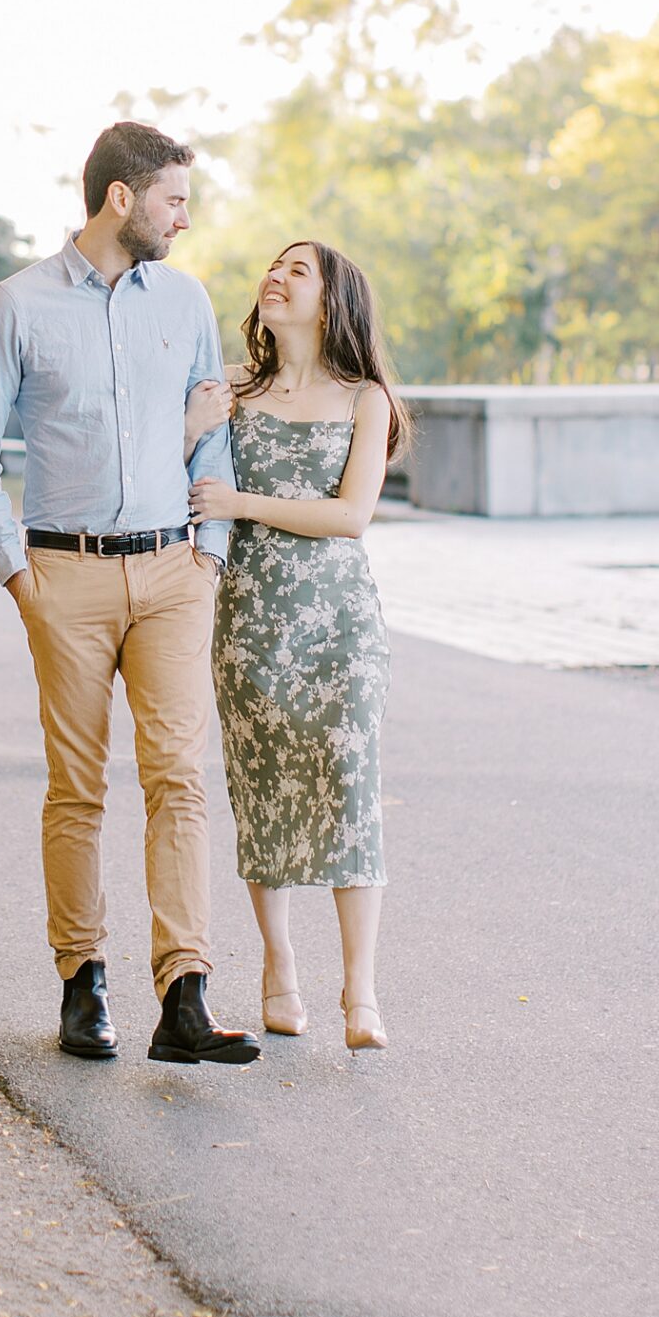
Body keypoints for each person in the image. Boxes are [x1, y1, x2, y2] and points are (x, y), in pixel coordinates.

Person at [0, 121, 261, 1069]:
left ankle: (185, 995)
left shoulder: (186, 300)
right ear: (121, 198)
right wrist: (22, 582)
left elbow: (211, 437)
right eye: (174, 200)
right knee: (78, 789)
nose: (184, 219)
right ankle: (82, 980)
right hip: (67, 577)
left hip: (174, 574)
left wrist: (208, 555)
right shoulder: (19, 305)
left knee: (179, 780)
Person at [185, 239, 403, 1051]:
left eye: (297, 270)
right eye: (273, 267)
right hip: (250, 621)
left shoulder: (366, 399)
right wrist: (191, 428)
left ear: (332, 299)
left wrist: (242, 503)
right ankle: (279, 968)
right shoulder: (232, 391)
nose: (275, 277)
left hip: (341, 625)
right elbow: (176, 475)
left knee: (350, 786)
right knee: (263, 789)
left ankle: (361, 990)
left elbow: (350, 516)